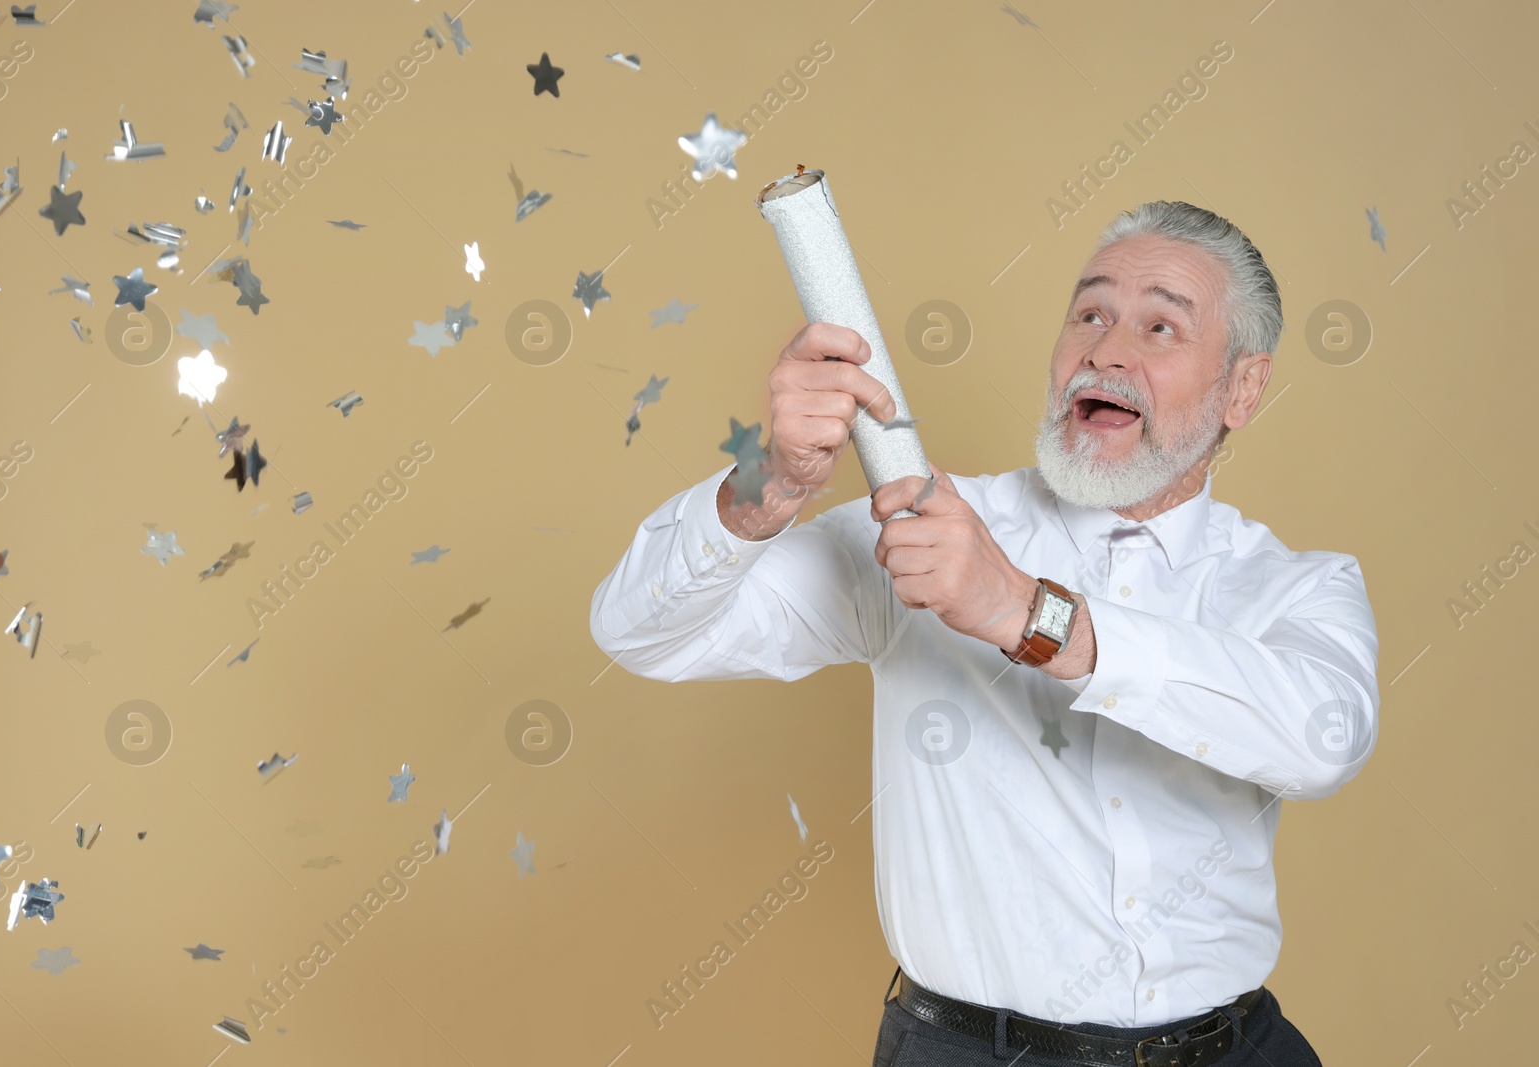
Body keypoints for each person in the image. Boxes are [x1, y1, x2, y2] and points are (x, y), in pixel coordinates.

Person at [589, 200, 1378, 1066]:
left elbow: (1323, 740)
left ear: (1243, 388)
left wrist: (1024, 612)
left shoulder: (1296, 586)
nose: (1106, 351)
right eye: (1090, 313)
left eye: (1160, 326)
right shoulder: (925, 527)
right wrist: (769, 481)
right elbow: (639, 633)